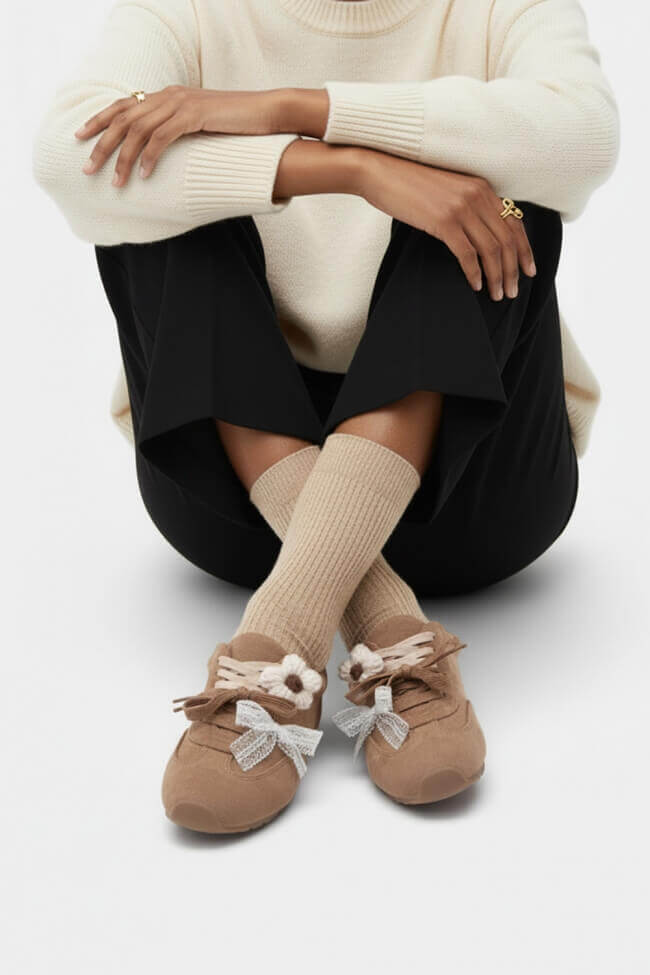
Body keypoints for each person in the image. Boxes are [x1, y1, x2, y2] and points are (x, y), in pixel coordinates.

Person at [33, 0, 619, 833]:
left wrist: (289, 109)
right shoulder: (187, 8)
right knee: (149, 201)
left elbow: (584, 137)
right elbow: (68, 156)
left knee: (503, 199)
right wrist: (350, 171)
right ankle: (381, 622)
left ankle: (274, 643)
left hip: (478, 491)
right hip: (238, 505)